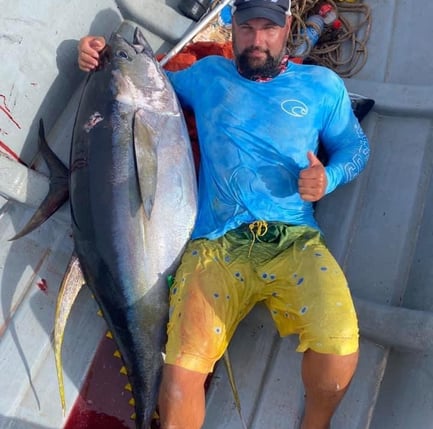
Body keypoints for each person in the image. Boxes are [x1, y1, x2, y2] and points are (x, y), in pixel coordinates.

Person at [78, 0, 370, 427]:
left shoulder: (322, 85)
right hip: (216, 246)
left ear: (287, 27)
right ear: (231, 29)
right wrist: (96, 55)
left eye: (268, 29)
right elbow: (140, 88)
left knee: (339, 355)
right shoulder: (206, 76)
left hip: (294, 240)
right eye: (247, 29)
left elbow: (355, 146)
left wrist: (330, 177)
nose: (257, 41)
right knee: (177, 385)